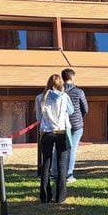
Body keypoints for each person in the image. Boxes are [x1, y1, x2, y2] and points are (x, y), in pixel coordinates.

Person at [36, 74, 74, 204]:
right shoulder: (65, 97)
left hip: (46, 132)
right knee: (62, 165)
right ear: (61, 85)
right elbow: (71, 111)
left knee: (46, 164)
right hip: (61, 132)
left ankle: (45, 196)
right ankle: (60, 197)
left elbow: (38, 117)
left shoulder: (40, 97)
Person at [61, 68, 88, 184]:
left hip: (61, 124)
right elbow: (85, 108)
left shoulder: (59, 90)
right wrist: (79, 116)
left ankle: (56, 173)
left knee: (61, 149)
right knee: (72, 149)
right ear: (72, 77)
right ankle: (69, 174)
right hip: (76, 124)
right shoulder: (79, 91)